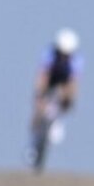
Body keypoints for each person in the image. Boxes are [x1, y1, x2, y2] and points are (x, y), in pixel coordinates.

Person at [30, 28, 82, 160]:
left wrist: (69, 101)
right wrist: (39, 97)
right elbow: (43, 76)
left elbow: (73, 82)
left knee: (65, 100)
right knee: (39, 108)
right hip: (50, 81)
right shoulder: (49, 54)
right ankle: (33, 137)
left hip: (63, 83)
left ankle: (55, 122)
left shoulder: (76, 61)